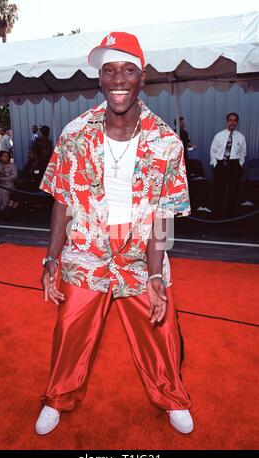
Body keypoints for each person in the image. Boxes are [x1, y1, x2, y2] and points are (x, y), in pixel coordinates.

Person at [36, 32, 193, 436]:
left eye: (127, 70)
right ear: (100, 79)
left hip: (141, 255)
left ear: (143, 77)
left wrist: (155, 274)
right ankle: (58, 397)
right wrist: (51, 259)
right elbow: (61, 202)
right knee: (69, 331)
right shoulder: (74, 133)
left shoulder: (166, 142)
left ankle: (170, 397)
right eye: (109, 71)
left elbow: (165, 215)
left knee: (159, 332)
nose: (118, 79)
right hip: (86, 251)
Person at [210, 113, 246, 217]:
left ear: (237, 122)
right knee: (218, 189)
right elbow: (212, 151)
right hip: (221, 165)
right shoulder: (219, 135)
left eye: (234, 120)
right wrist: (215, 164)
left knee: (233, 190)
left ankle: (231, 213)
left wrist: (240, 165)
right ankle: (217, 213)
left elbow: (243, 152)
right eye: (230, 120)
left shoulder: (241, 137)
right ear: (227, 121)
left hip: (235, 165)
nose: (232, 122)